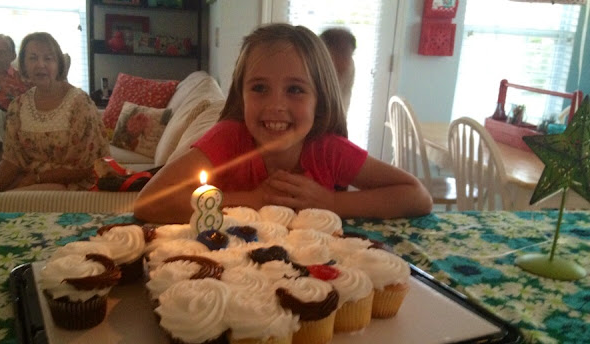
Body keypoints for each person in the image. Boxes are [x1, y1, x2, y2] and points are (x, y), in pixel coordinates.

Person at [134, 23, 432, 224]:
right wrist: (254, 200)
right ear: (241, 94)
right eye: (259, 88)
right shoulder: (228, 139)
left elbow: (416, 196)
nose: (275, 105)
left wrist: (330, 202)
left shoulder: (328, 151)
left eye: (295, 90)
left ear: (320, 99)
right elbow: (149, 202)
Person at [0, 32, 109, 203]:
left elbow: (88, 167)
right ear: (23, 65)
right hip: (29, 180)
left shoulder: (80, 103)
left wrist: (37, 178)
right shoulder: (18, 106)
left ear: (58, 64)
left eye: (48, 58)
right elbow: (11, 160)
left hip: (72, 184)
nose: (40, 64)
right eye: (33, 58)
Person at [320, 27, 356, 114]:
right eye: (342, 53)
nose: (346, 62)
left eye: (349, 55)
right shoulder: (312, 67)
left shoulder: (350, 67)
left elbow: (343, 104)